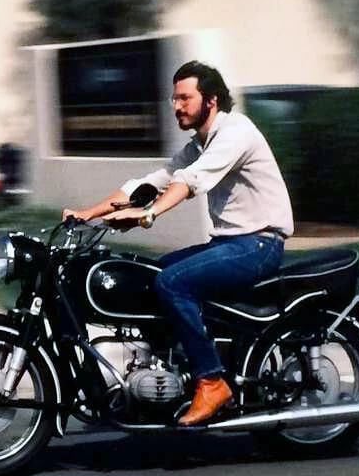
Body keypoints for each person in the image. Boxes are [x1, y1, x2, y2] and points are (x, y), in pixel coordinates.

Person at [62, 60, 294, 426]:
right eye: (174, 99)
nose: (176, 106)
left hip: (258, 246)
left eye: (185, 98)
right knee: (151, 272)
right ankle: (167, 374)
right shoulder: (199, 144)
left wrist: (149, 215)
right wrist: (87, 213)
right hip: (229, 244)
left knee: (172, 281)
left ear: (211, 100)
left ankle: (212, 380)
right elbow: (151, 182)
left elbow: (189, 181)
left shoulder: (235, 132)